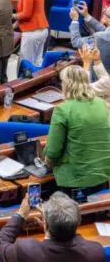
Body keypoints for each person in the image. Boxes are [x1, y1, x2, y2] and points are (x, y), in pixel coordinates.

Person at [44, 64, 110, 194]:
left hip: (75, 179)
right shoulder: (102, 104)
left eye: (62, 82)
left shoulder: (62, 110)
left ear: (67, 85)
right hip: (102, 174)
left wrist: (45, 163)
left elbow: (52, 151)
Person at [14, 0, 49, 69]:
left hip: (32, 32)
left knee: (26, 63)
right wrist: (16, 23)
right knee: (37, 61)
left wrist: (12, 15)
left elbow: (26, 14)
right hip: (42, 30)